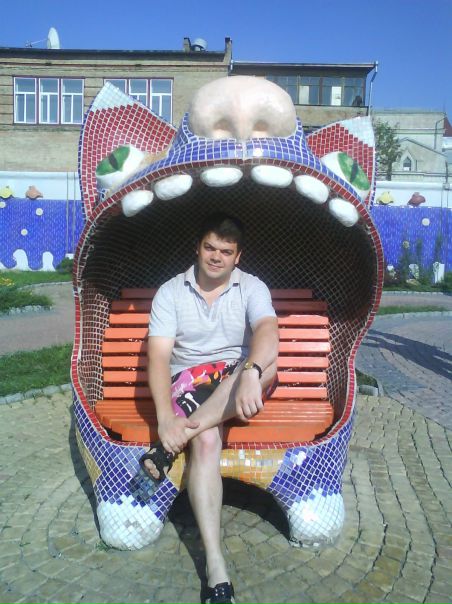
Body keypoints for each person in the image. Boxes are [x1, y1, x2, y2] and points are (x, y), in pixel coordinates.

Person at [140, 212, 279, 604]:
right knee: (204, 442)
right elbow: (159, 358)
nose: (217, 257)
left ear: (238, 256)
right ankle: (216, 566)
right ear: (198, 248)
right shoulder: (171, 291)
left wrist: (250, 371)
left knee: (268, 365)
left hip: (239, 378)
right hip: (189, 384)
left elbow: (267, 330)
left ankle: (170, 445)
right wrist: (165, 418)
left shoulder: (251, 286)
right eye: (210, 248)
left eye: (226, 251)